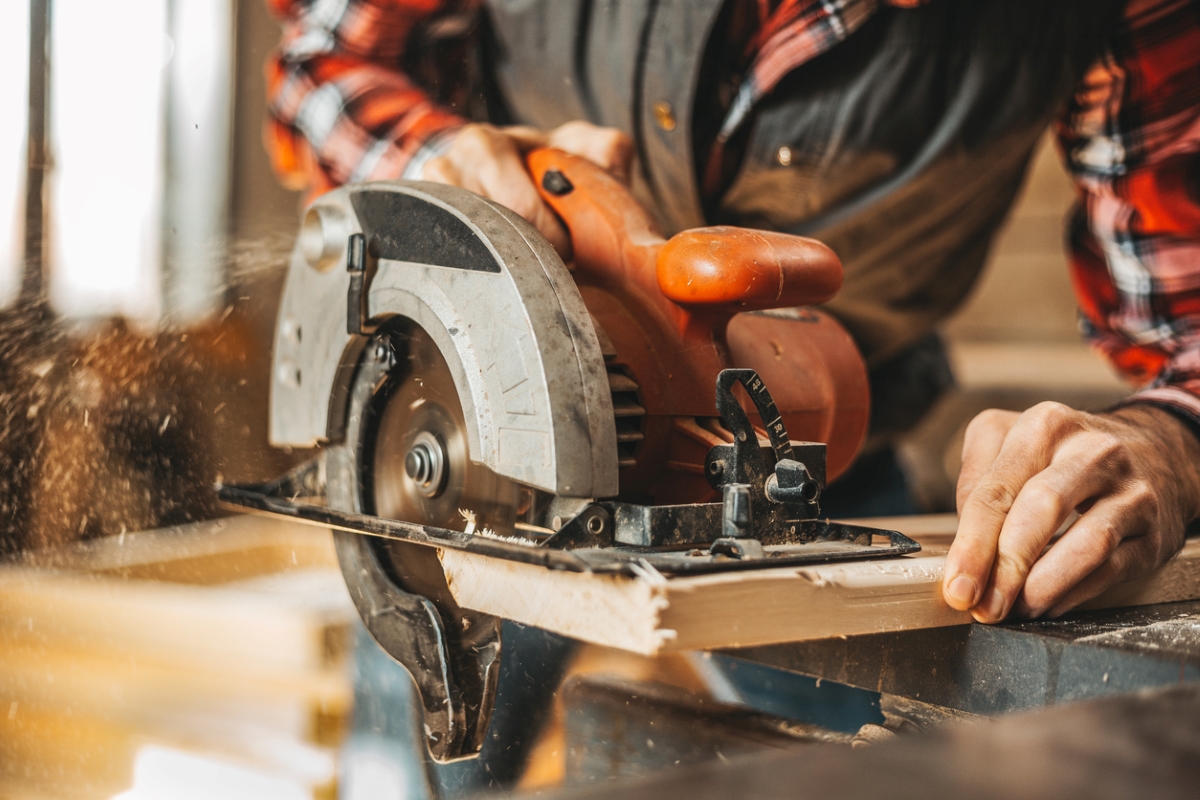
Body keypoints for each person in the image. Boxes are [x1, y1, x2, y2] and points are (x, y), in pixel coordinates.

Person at [262, 0, 1200, 626]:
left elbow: (1187, 326)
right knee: (425, 741)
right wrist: (439, 169)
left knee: (870, 755)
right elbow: (321, 60)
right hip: (472, 441)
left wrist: (1167, 442)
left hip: (814, 470)